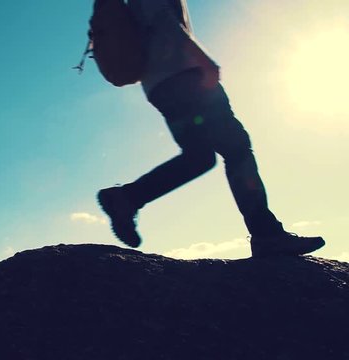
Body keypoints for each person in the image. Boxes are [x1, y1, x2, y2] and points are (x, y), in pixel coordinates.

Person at [96, 0, 325, 257]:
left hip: (160, 85)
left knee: (199, 157)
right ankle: (267, 235)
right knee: (237, 148)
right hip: (186, 76)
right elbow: (163, 20)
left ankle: (127, 198)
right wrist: (204, 60)